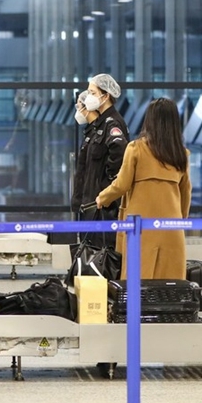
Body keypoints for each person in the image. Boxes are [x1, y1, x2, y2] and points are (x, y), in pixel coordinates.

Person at [96, 98, 192, 280]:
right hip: (172, 227)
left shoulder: (136, 148)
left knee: (138, 281)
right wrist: (181, 220)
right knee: (170, 282)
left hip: (139, 227)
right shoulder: (181, 154)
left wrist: (103, 197)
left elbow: (122, 184)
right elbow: (186, 192)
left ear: (150, 120)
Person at [78, 74, 129, 246]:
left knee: (101, 258)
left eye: (92, 92)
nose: (89, 97)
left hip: (103, 208)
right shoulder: (100, 123)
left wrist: (106, 192)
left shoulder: (112, 124)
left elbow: (119, 158)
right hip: (92, 205)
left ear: (105, 96)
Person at [71, 90, 101, 214]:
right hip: (86, 201)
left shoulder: (99, 132)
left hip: (93, 202)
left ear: (87, 107)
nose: (78, 111)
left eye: (78, 106)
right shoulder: (89, 132)